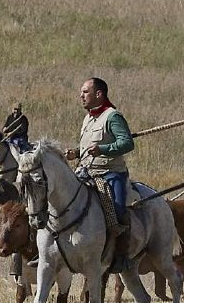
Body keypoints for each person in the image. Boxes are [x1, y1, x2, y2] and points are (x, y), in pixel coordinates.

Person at [30, 77, 132, 274]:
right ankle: (48, 251)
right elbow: (89, 147)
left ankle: (121, 255)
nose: (81, 95)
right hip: (86, 171)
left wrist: (103, 149)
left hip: (110, 173)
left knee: (118, 211)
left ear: (98, 94)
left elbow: (127, 143)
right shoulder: (88, 118)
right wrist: (77, 153)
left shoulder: (113, 117)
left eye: (85, 92)